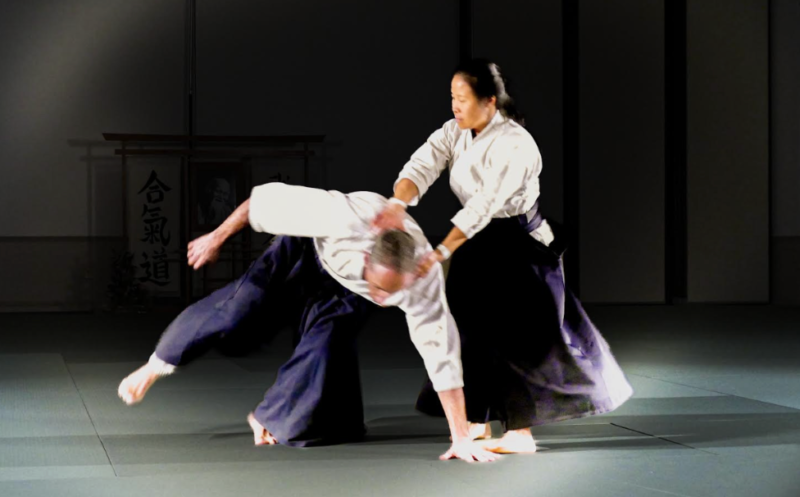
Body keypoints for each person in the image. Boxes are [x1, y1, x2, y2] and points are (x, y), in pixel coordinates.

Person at [118, 181, 497, 463]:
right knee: (240, 306)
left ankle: (273, 417)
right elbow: (260, 201)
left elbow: (442, 355)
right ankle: (155, 366)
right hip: (307, 250)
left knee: (326, 347)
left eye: (392, 293)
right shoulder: (341, 217)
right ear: (368, 258)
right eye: (381, 288)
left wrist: (460, 437)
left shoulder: (423, 280)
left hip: (351, 290)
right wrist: (216, 238)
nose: (385, 299)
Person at [371, 58, 633, 454]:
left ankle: (521, 433)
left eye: (462, 99)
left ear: (490, 101)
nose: (455, 106)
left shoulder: (515, 144)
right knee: (466, 330)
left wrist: (442, 251)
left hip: (516, 245)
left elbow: (484, 206)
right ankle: (477, 421)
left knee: (518, 336)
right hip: (476, 243)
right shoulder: (454, 132)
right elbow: (422, 165)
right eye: (452, 98)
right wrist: (397, 203)